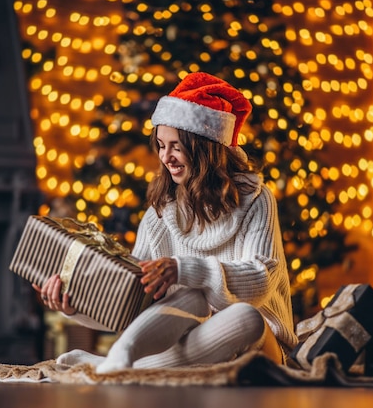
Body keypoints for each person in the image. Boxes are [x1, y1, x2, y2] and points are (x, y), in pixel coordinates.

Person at [34, 71, 297, 374]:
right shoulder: (160, 215)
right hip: (192, 343)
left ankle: (113, 366)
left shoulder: (255, 199)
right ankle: (122, 359)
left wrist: (182, 268)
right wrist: (73, 307)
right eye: (160, 145)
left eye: (176, 145)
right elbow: (133, 300)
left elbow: (260, 281)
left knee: (244, 316)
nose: (165, 157)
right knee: (193, 298)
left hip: (258, 344)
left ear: (204, 147)